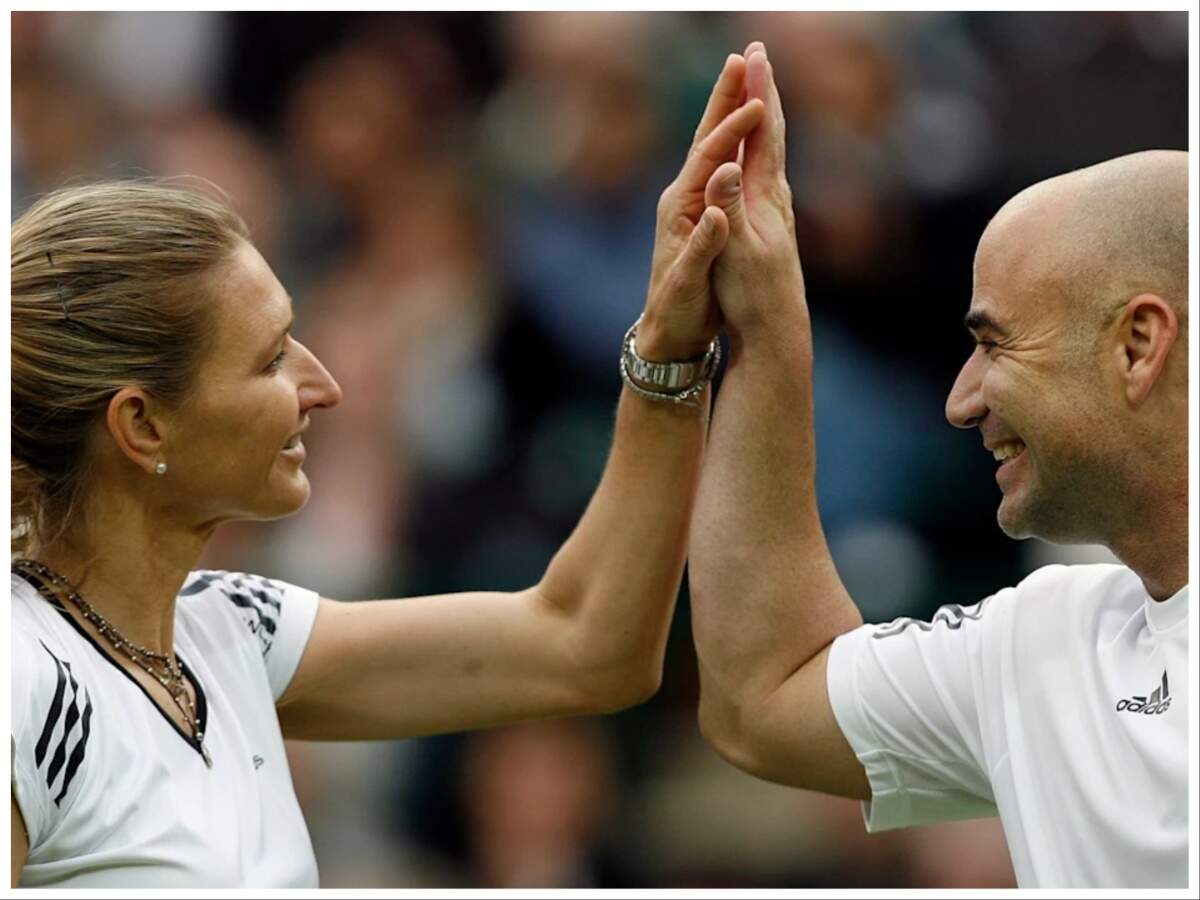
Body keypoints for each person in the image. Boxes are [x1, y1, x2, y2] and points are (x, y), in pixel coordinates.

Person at [8, 56, 765, 888]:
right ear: (141, 422)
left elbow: (587, 646)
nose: (321, 385)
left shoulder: (233, 631)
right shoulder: (22, 674)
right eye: (269, 361)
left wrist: (668, 345)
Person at [688, 42, 1187, 888]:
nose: (962, 401)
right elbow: (761, 701)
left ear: (1138, 346)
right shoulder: (1043, 641)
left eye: (995, 343)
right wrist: (763, 326)